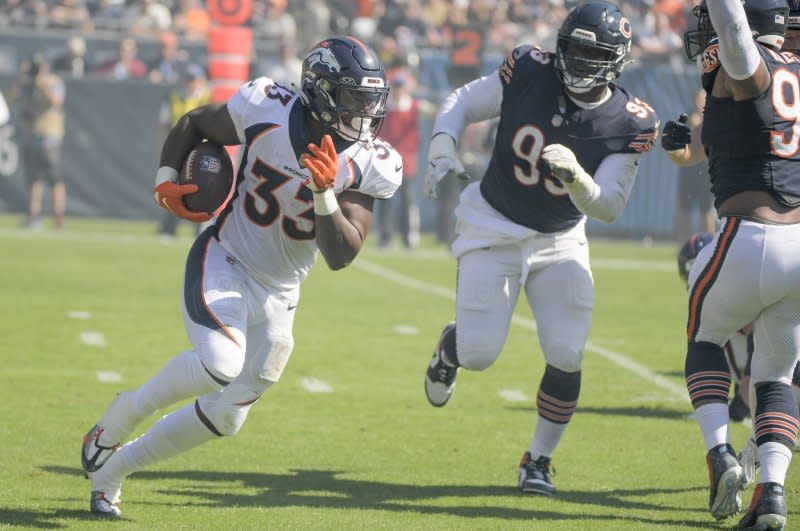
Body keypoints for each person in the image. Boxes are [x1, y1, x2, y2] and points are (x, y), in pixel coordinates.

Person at [81, 36, 401, 518]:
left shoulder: (371, 159)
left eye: (371, 98)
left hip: (283, 290)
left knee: (228, 417)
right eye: (354, 96)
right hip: (225, 258)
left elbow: (341, 254)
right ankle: (120, 416)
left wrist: (324, 194)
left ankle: (113, 472)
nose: (366, 110)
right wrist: (165, 177)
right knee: (221, 363)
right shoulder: (265, 105)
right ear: (319, 90)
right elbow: (193, 123)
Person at [422, 1, 659, 495]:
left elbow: (609, 206)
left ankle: (539, 460)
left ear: (615, 61)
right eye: (570, 49)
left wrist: (577, 179)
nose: (574, 62)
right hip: (494, 223)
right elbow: (464, 100)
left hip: (560, 237)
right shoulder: (530, 69)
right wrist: (443, 141)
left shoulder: (628, 120)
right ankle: (452, 345)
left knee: (567, 352)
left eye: (588, 55)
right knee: (479, 353)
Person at [678, 0, 800, 525]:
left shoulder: (749, 64)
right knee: (777, 374)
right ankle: (771, 492)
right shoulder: (793, 72)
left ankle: (720, 453)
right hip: (799, 247)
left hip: (748, 234)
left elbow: (730, 25)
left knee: (705, 339)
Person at [9, 53, 66, 230]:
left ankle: (58, 216)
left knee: (54, 178)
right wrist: (21, 78)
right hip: (31, 135)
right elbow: (11, 100)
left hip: (50, 136)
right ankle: (34, 215)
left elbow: (56, 102)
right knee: (33, 179)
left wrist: (43, 84)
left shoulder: (54, 82)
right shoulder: (27, 84)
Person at [156, 64, 211, 238]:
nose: (191, 84)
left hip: (201, 152)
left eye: (194, 80)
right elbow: (163, 126)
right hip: (179, 150)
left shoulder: (209, 98)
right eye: (188, 79)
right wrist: (163, 150)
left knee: (202, 190)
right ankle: (168, 228)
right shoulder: (175, 97)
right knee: (172, 187)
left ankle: (200, 229)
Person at [376, 70, 420, 250]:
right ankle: (386, 237)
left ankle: (409, 238)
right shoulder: (386, 107)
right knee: (385, 200)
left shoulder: (412, 105)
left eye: (401, 86)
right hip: (386, 161)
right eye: (396, 86)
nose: (398, 90)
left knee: (407, 201)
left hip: (406, 161)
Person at [673, 89, 717, 244]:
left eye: (703, 100)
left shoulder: (713, 118)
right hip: (688, 172)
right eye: (697, 99)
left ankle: (710, 245)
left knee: (706, 212)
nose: (700, 103)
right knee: (685, 211)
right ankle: (682, 246)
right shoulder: (689, 118)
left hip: (706, 172)